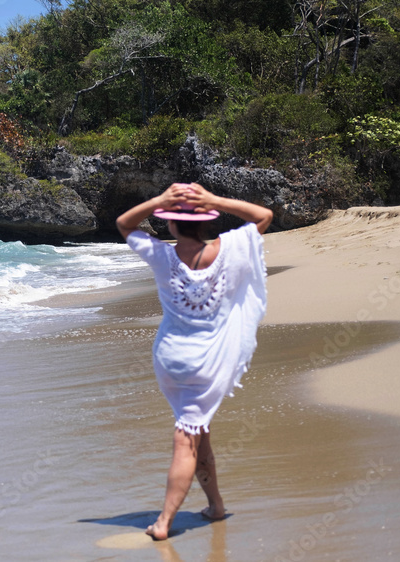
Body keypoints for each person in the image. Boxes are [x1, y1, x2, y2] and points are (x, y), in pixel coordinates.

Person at [115, 182, 273, 541]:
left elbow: (125, 225)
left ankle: (215, 504)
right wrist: (213, 199)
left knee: (198, 433)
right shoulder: (231, 249)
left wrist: (159, 200)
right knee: (187, 438)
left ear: (170, 224)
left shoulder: (162, 256)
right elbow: (263, 216)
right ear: (206, 221)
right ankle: (164, 522)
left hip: (171, 360)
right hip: (209, 364)